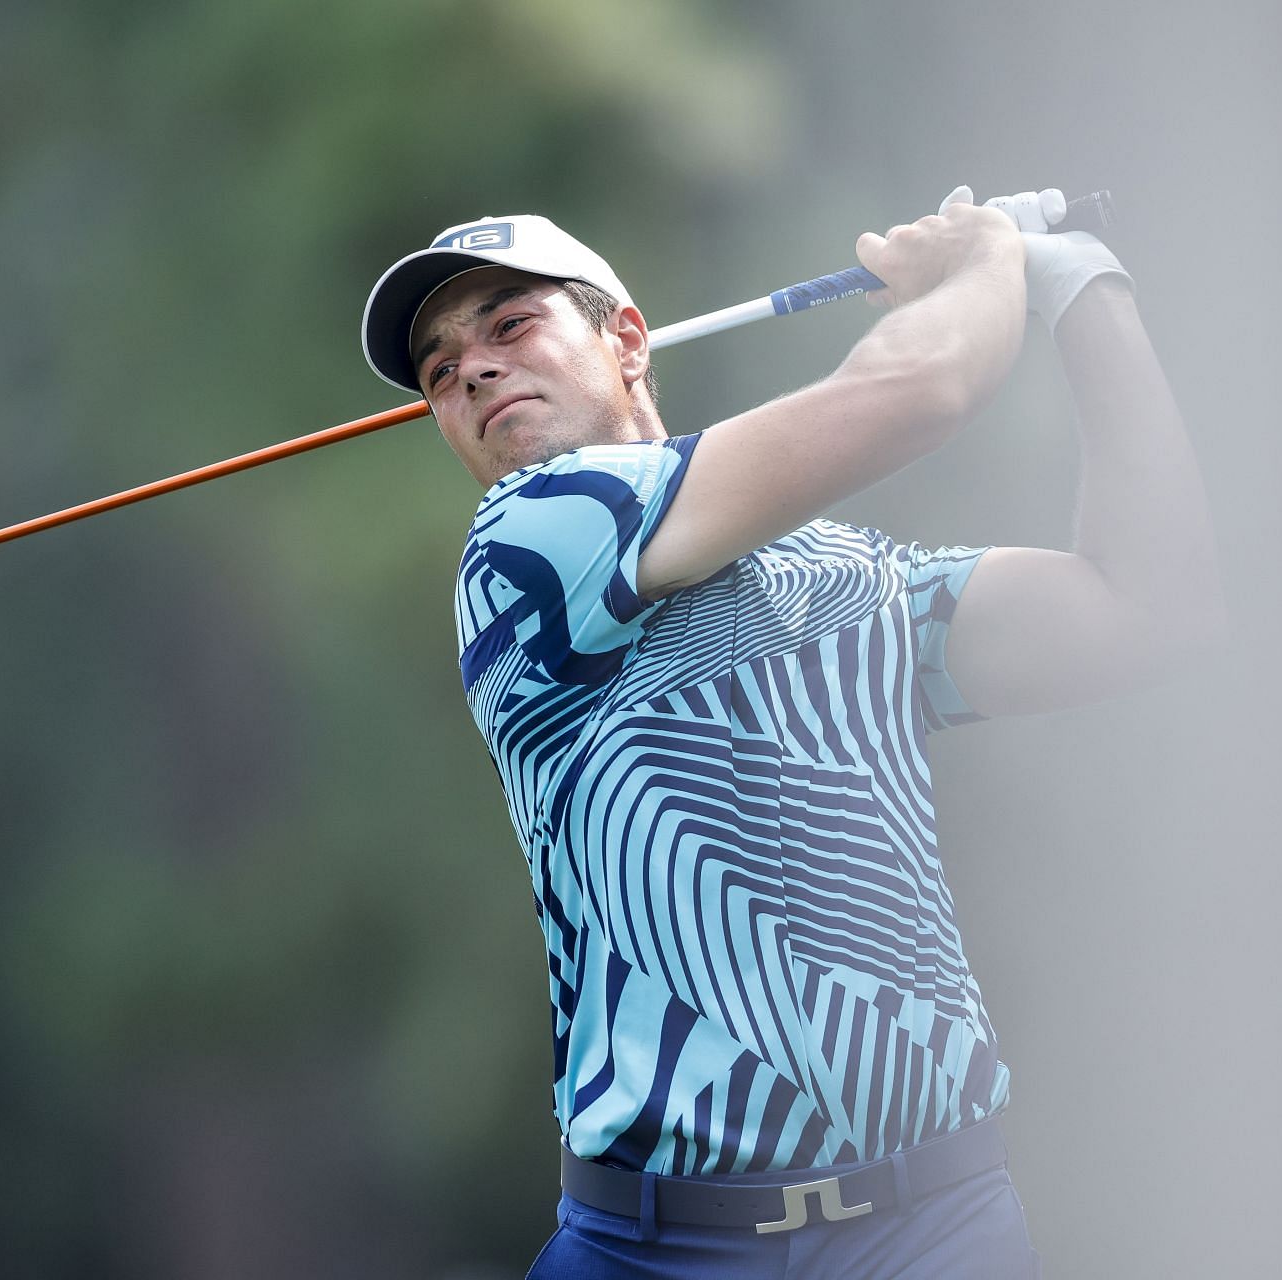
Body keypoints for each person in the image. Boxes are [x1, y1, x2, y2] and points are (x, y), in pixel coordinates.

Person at [359, 186, 1224, 1279]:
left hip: (936, 1228)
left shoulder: (846, 577)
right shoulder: (525, 543)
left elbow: (1148, 608)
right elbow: (920, 387)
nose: (471, 368)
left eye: (510, 324)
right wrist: (987, 260)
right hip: (655, 1248)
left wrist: (1087, 290)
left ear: (626, 339)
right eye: (441, 370)